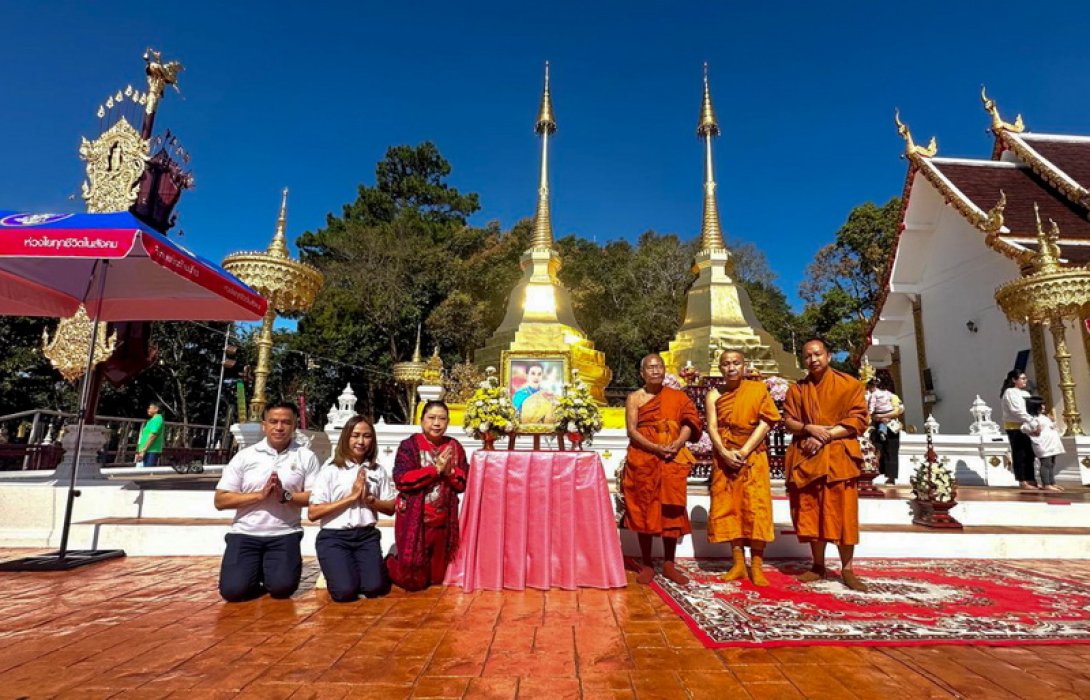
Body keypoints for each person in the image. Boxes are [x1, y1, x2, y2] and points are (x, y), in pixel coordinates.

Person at [783, 338, 870, 592]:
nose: (813, 359)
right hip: (808, 458)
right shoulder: (797, 390)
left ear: (828, 356)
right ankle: (818, 564)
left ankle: (847, 568)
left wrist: (825, 436)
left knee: (843, 515)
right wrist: (809, 428)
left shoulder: (849, 385)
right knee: (811, 513)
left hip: (839, 457)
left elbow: (858, 420)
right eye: (807, 356)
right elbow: (788, 421)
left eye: (817, 354)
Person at [214, 401, 319, 602]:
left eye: (286, 422)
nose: (279, 427)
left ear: (294, 426)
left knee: (282, 589)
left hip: (284, 533)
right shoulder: (245, 456)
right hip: (245, 533)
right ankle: (253, 571)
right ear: (264, 425)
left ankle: (267, 571)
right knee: (233, 591)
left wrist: (285, 495)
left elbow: (315, 497)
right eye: (273, 421)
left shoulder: (306, 457)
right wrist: (259, 496)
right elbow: (220, 499)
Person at [622, 353, 702, 586]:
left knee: (671, 510)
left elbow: (690, 422)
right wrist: (655, 448)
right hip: (644, 458)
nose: (655, 371)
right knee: (643, 509)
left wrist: (677, 443)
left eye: (659, 366)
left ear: (665, 370)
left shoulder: (677, 397)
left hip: (672, 458)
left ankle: (669, 563)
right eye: (650, 367)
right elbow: (632, 430)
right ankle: (647, 563)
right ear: (642, 373)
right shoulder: (635, 398)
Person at [705, 350, 780, 586]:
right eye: (726, 364)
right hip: (725, 456)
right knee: (730, 508)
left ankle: (756, 565)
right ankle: (738, 563)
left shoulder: (757, 390)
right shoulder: (714, 395)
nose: (731, 368)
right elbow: (712, 426)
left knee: (756, 509)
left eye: (736, 363)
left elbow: (766, 422)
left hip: (753, 455)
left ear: (744, 366)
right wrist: (724, 452)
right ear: (720, 368)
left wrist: (744, 451)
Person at [309, 416, 397, 602]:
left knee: (374, 588)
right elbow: (313, 513)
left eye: (367, 436)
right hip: (335, 537)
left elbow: (391, 507)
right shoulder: (331, 470)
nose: (361, 441)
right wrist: (351, 498)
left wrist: (369, 500)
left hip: (366, 536)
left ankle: (358, 569)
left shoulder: (377, 470)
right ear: (346, 438)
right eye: (355, 435)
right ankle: (334, 570)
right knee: (344, 592)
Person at [386, 400, 467, 591]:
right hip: (415, 520)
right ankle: (389, 562)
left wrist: (449, 472)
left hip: (443, 522)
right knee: (413, 581)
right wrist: (434, 470)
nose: (436, 423)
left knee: (438, 578)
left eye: (442, 419)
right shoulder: (410, 446)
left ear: (448, 422)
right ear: (422, 421)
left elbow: (463, 482)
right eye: (431, 418)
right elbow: (402, 479)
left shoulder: (454, 446)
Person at [1001, 370, 1039, 490]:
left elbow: (1031, 409)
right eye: (1022, 378)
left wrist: (1035, 422)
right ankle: (1022, 480)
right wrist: (1031, 421)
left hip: (1027, 426)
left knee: (1030, 453)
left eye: (1025, 378)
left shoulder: (1025, 393)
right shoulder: (1010, 392)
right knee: (1020, 453)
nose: (1025, 380)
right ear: (1014, 380)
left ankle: (1031, 478)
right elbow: (1016, 410)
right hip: (1015, 426)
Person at [1022, 396, 1065, 492]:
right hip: (1043, 444)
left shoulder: (1044, 417)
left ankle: (1052, 482)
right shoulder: (1031, 419)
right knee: (1046, 463)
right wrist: (1034, 431)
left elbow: (1050, 427)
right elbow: (1024, 428)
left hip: (1051, 443)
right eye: (1041, 405)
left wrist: (1052, 422)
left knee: (1051, 463)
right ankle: (1046, 484)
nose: (1043, 407)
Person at [868, 376, 904, 485]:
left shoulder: (892, 396)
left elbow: (897, 411)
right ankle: (875, 472)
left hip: (889, 424)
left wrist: (881, 416)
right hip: (879, 424)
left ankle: (890, 476)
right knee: (877, 449)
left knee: (890, 449)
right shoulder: (874, 396)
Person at [135, 402, 164, 467]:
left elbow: (152, 436)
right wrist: (139, 451)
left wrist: (143, 451)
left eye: (149, 408)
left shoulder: (158, 419)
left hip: (151, 451)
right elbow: (143, 437)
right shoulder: (150, 420)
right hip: (144, 450)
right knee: (140, 471)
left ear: (156, 409)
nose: (148, 409)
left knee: (148, 471)